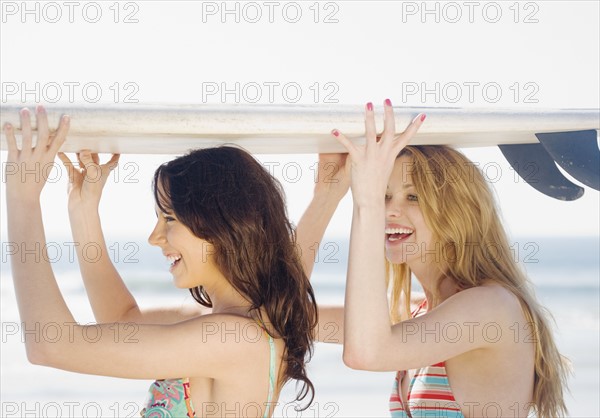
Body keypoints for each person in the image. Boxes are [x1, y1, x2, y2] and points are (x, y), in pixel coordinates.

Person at [4, 106, 318, 418]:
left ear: (222, 225)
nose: (155, 237)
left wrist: (23, 200)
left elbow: (52, 345)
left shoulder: (235, 338)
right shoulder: (230, 325)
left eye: (169, 218)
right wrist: (83, 210)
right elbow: (122, 321)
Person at [297, 100, 569, 417]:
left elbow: (365, 354)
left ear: (460, 212)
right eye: (385, 195)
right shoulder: (414, 315)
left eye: (413, 196)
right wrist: (326, 196)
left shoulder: (490, 308)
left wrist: (367, 199)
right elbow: (278, 315)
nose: (390, 209)